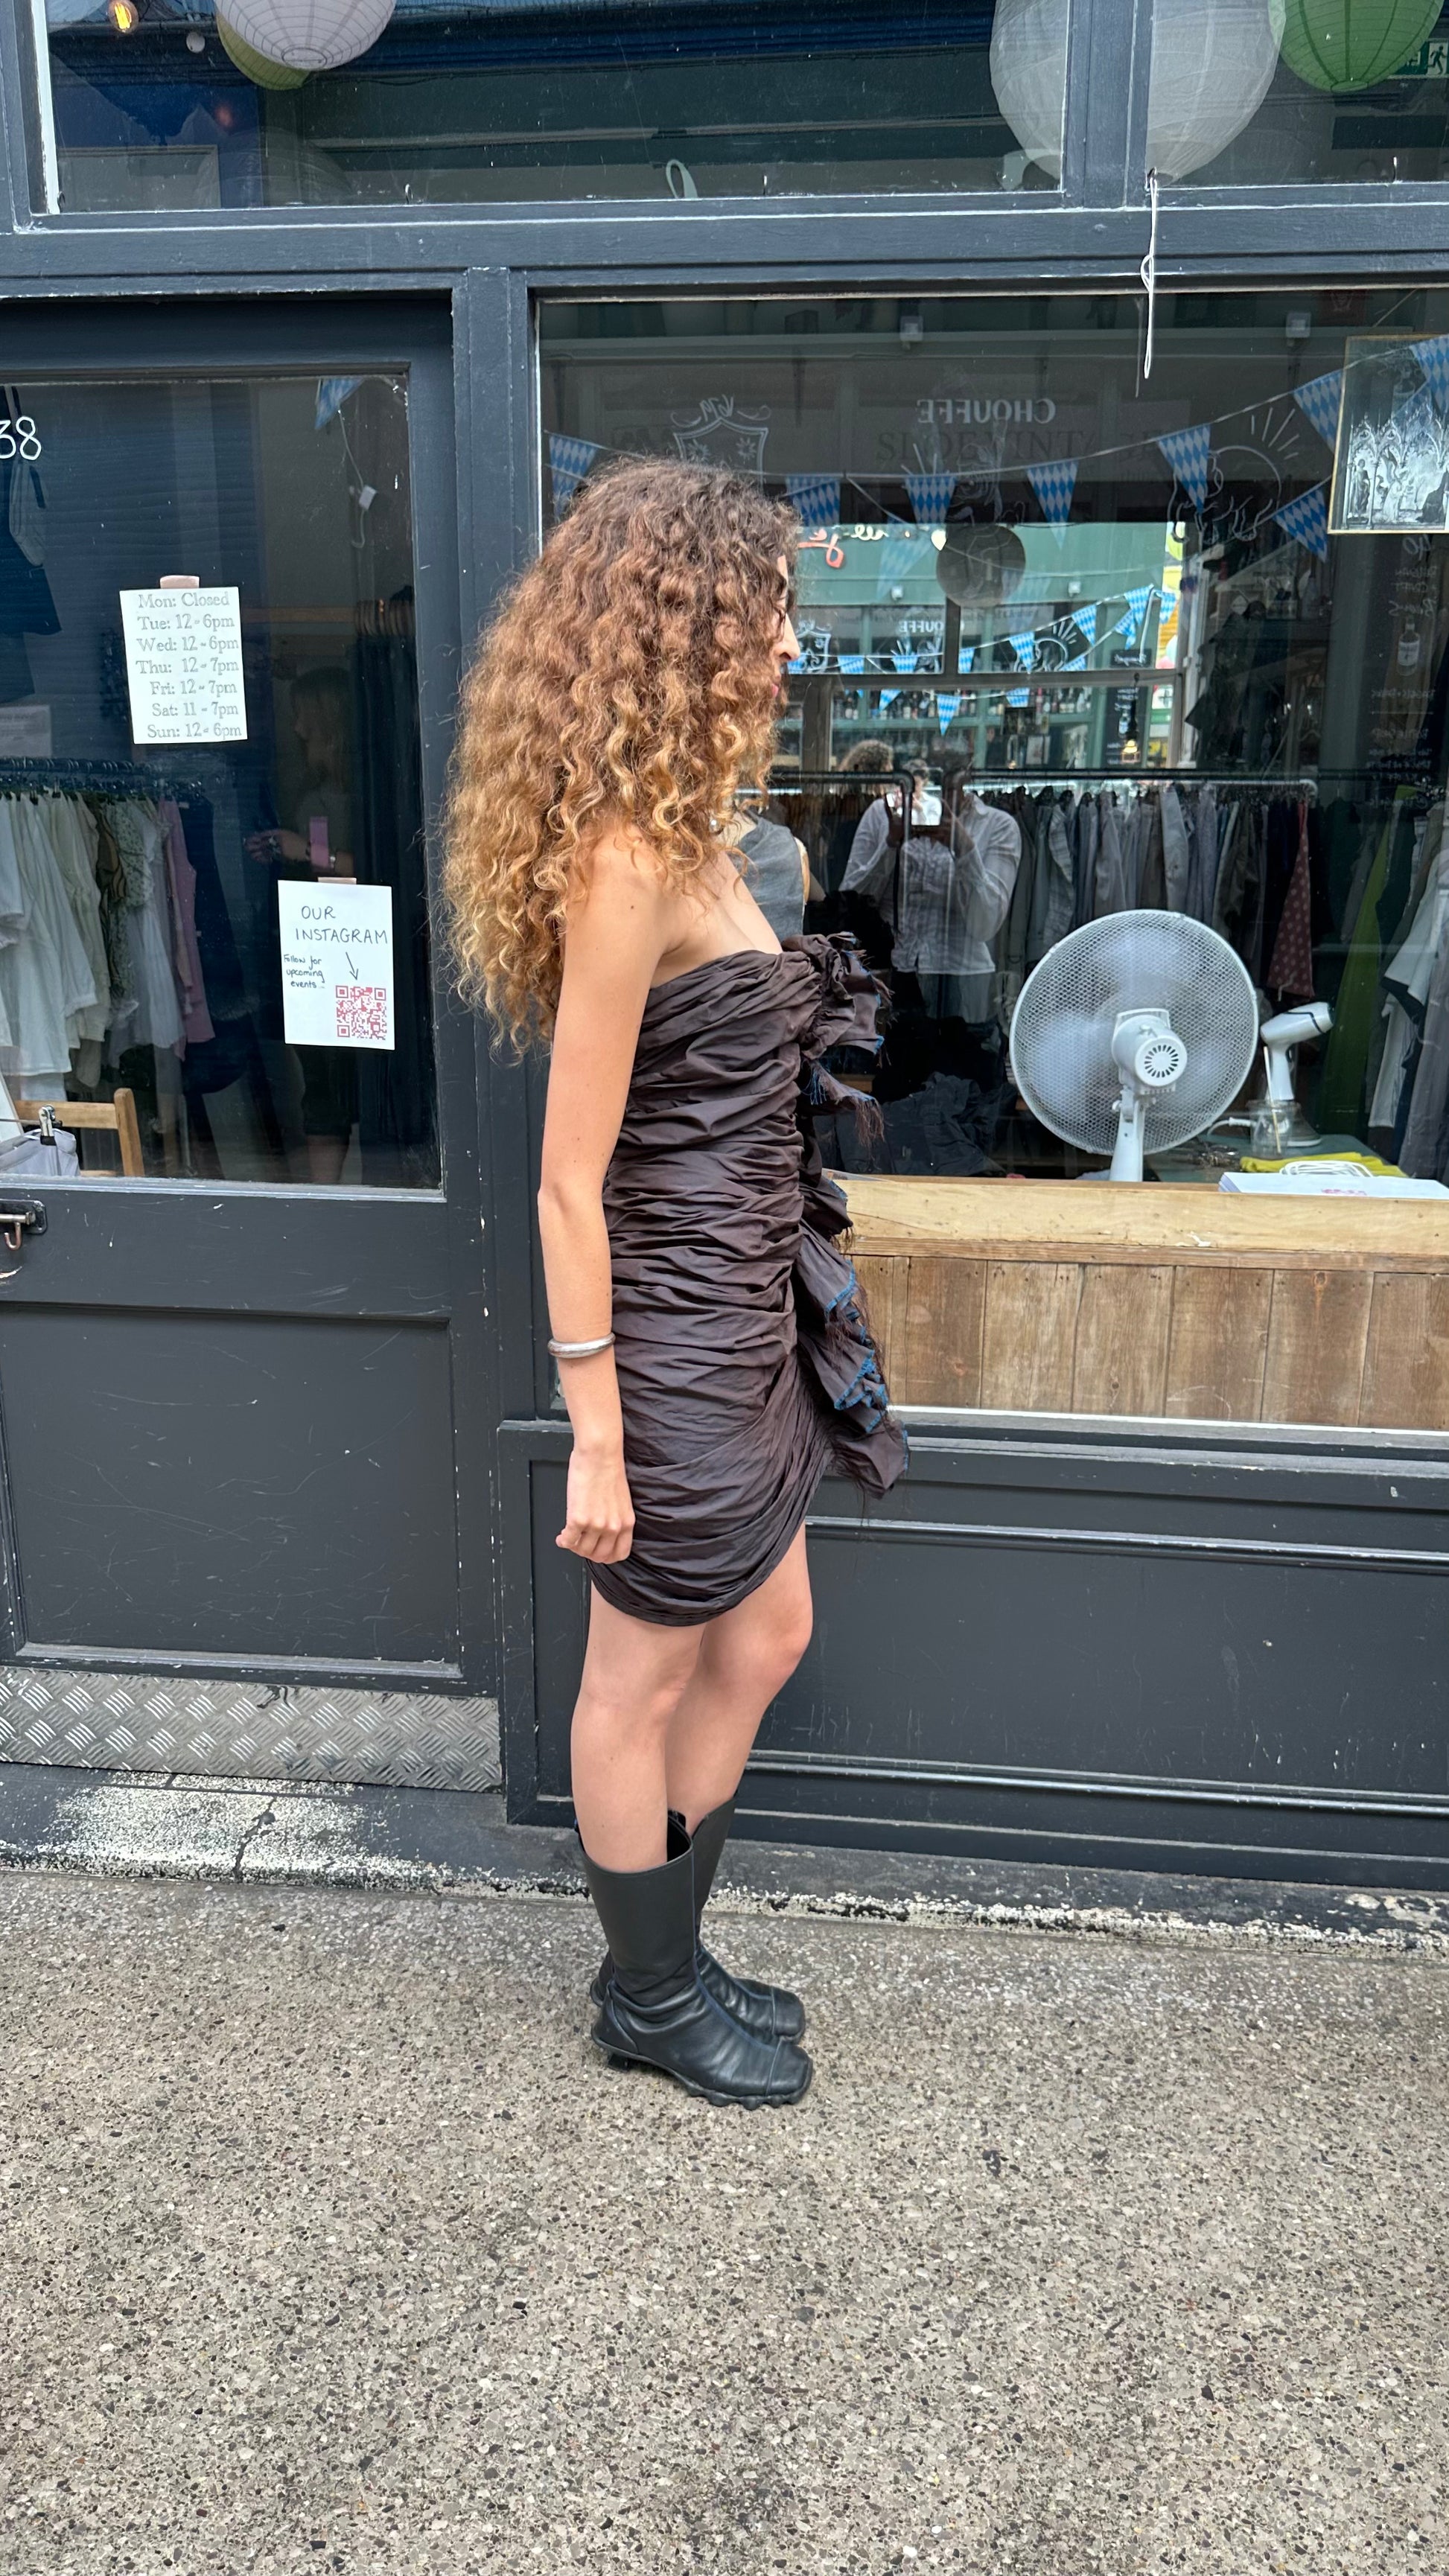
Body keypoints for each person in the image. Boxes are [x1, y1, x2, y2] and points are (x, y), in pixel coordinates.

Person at [444, 459, 905, 2109]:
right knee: (636, 1670)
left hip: (746, 1308)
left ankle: (667, 1951)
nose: (788, 647)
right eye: (767, 616)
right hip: (667, 1342)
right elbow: (565, 1179)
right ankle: (647, 1993)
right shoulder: (624, 860)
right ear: (685, 628)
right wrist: (598, 1433)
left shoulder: (702, 839)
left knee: (766, 1629)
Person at [246, 667, 357, 1185]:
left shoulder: (350, 796)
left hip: (344, 956)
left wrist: (301, 849)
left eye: (301, 715)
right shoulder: (321, 790)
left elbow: (364, 869)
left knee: (330, 1087)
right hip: (334, 953)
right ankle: (333, 1201)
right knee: (328, 1083)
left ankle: (329, 1201)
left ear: (325, 720)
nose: (294, 728)